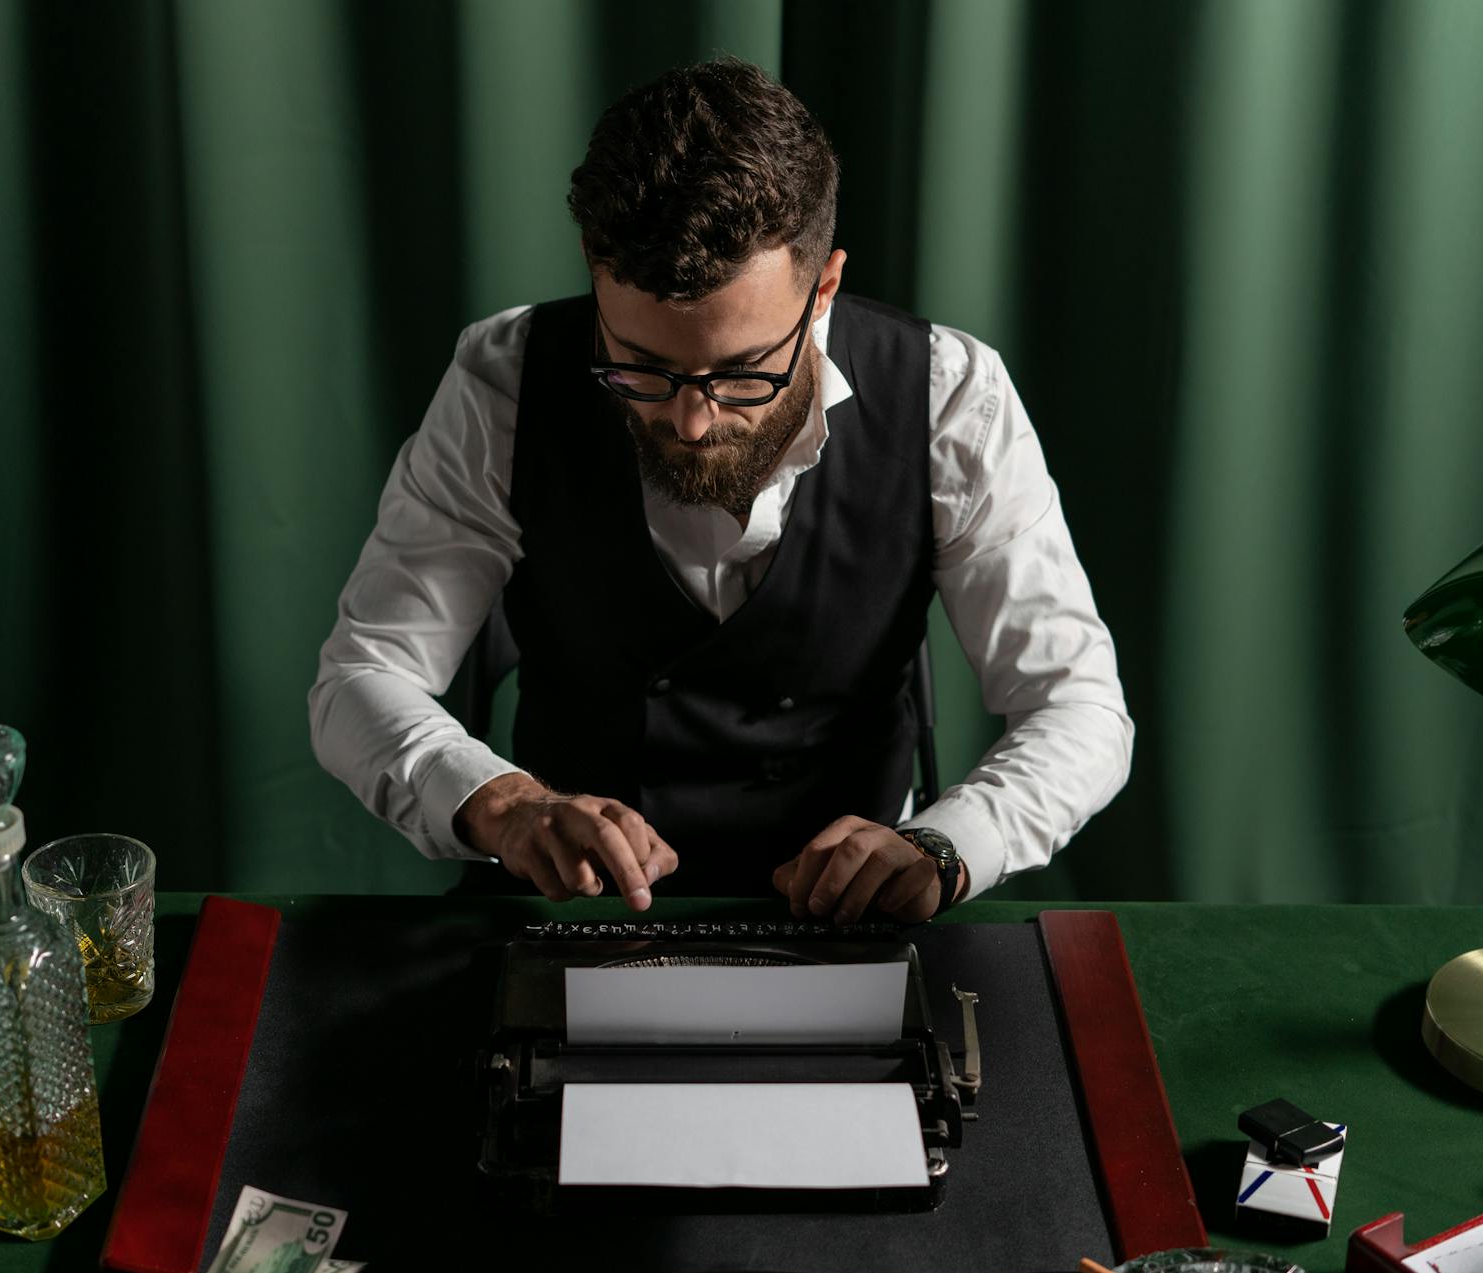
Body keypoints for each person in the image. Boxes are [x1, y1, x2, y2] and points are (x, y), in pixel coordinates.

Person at [310, 57, 1131, 923]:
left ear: (824, 288)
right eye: (642, 368)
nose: (693, 422)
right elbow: (362, 674)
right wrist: (506, 805)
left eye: (743, 374)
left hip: (851, 926)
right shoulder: (505, 382)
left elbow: (1077, 706)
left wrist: (946, 844)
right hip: (570, 915)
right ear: (595, 266)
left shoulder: (953, 396)